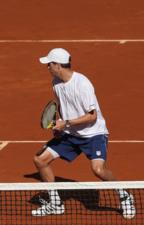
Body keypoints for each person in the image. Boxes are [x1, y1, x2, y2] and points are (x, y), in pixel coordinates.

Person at [31, 48, 135, 219]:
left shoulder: (82, 84)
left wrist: (67, 123)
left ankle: (125, 195)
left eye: (49, 64)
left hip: (93, 134)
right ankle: (55, 203)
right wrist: (60, 128)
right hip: (71, 133)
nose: (47, 67)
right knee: (40, 160)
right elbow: (64, 108)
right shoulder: (56, 83)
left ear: (58, 65)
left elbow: (92, 116)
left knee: (98, 170)